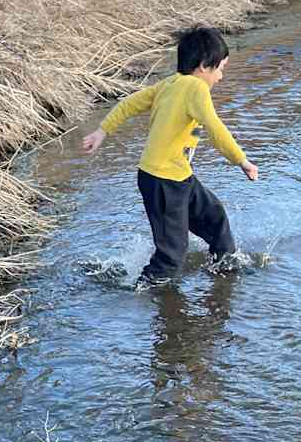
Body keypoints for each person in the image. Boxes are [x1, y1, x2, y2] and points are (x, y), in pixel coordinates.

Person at [82, 25, 257, 281]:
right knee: (172, 254)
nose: (221, 77)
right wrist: (242, 161)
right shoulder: (196, 88)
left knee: (215, 218)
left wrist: (102, 131)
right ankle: (145, 290)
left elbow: (129, 104)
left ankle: (225, 271)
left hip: (178, 176)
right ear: (203, 66)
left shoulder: (168, 84)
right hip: (162, 180)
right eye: (220, 68)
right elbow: (215, 127)